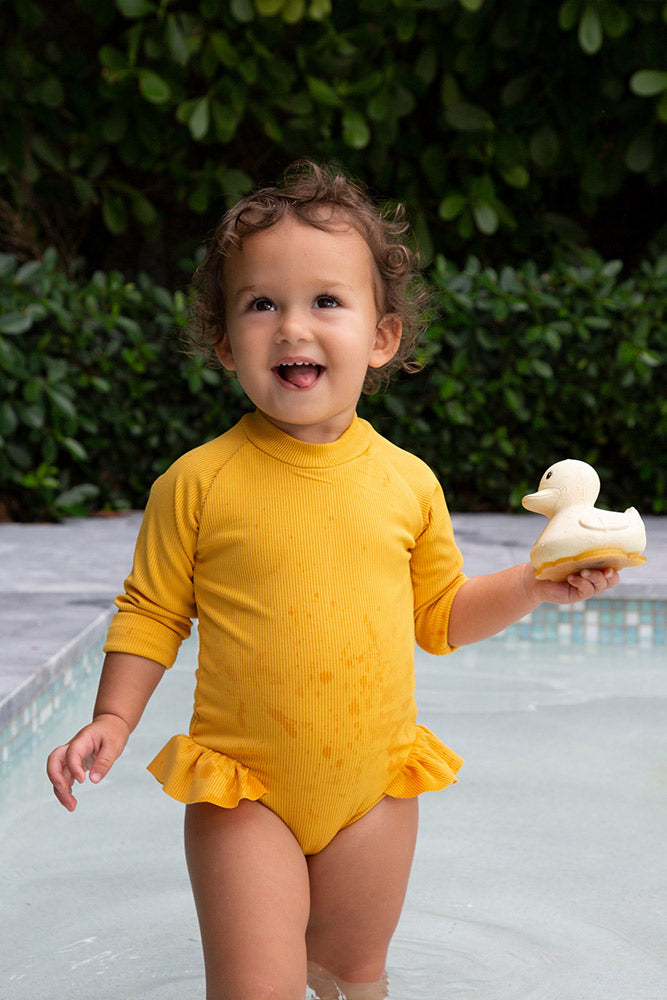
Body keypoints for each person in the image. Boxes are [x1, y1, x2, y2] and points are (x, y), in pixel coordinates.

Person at [47, 161, 618, 1000]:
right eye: (260, 304)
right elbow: (152, 611)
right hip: (244, 794)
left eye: (324, 301)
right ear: (223, 342)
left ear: (381, 337)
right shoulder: (197, 483)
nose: (291, 327)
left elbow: (440, 615)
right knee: (256, 988)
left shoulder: (406, 483)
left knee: (353, 978)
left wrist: (532, 586)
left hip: (373, 794)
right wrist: (112, 717)